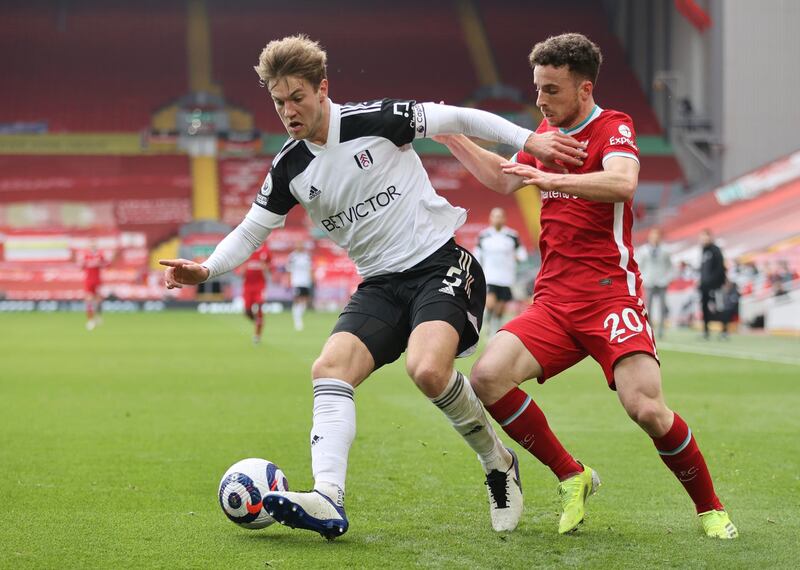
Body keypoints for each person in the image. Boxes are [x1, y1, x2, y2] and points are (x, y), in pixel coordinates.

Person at [159, 34, 588, 539]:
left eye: (297, 97)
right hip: (381, 285)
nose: (288, 111)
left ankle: (498, 462)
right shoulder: (289, 167)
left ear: (323, 89)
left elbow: (459, 119)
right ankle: (327, 498)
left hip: (441, 265)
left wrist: (528, 140)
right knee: (329, 369)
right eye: (278, 102)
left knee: (427, 369)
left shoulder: (377, 119)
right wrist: (206, 269)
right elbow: (254, 228)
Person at [435, 33, 737, 539]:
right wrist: (450, 135)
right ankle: (572, 474)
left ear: (584, 89)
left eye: (551, 89)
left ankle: (710, 508)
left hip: (609, 295)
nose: (540, 100)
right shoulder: (544, 134)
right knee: (488, 377)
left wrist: (550, 178)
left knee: (645, 407)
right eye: (537, 88)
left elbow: (621, 183)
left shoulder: (613, 126)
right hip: (553, 301)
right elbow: (505, 178)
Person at [474, 207, 528, 337]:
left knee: (500, 307)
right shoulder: (484, 236)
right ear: (490, 218)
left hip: (506, 277)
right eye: (495, 216)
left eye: (500, 216)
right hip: (490, 276)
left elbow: (522, 254)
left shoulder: (512, 235)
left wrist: (518, 257)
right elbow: (477, 255)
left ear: (504, 218)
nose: (497, 219)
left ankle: (494, 329)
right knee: (490, 303)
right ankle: (487, 319)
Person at [637, 227, 673, 338]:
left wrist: (667, 279)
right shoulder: (644, 250)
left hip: (662, 282)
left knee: (662, 307)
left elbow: (670, 267)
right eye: (653, 236)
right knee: (648, 307)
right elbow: (639, 266)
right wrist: (643, 279)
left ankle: (662, 330)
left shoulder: (666, 251)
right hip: (649, 282)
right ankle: (650, 329)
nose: (655, 238)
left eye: (657, 236)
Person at [242, 243, 271, 343]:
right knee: (247, 311)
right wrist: (243, 270)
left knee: (259, 305)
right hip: (247, 286)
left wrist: (265, 268)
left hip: (260, 285)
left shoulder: (266, 250)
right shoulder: (247, 249)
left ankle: (257, 335)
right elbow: (241, 269)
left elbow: (270, 267)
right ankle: (258, 322)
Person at [699, 229, 726, 340]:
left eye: (706, 236)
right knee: (704, 308)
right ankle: (706, 331)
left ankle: (724, 331)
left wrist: (715, 282)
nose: (704, 239)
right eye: (702, 237)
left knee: (719, 308)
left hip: (715, 285)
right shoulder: (703, 250)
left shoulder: (716, 250)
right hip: (704, 285)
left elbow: (720, 268)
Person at [80, 240, 108, 331]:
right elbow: (81, 267)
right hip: (88, 281)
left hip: (97, 280)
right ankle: (90, 320)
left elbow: (106, 264)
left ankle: (98, 316)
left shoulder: (100, 255)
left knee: (98, 300)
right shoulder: (85, 256)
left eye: (94, 245)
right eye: (91, 245)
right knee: (88, 301)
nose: (93, 246)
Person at [286, 240, 313, 331]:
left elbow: (310, 269)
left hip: (306, 282)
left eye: (301, 244)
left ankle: (298, 317)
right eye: (298, 244)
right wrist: (289, 281)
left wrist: (312, 279)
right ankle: (297, 321)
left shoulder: (307, 256)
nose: (300, 246)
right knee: (297, 300)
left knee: (304, 302)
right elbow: (289, 270)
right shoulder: (292, 257)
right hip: (296, 282)